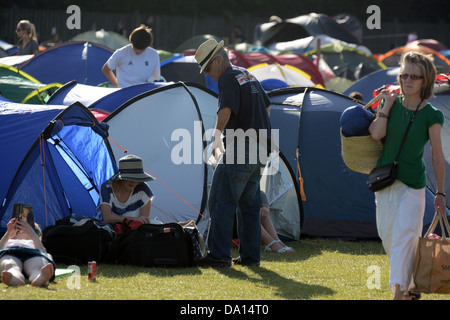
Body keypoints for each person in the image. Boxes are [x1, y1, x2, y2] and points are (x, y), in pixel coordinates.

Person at [369, 51, 445, 300]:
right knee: (389, 237)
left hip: (413, 186)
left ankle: (398, 294)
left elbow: (436, 155)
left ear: (426, 81)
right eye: (404, 75)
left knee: (404, 236)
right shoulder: (389, 102)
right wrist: (387, 106)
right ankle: (410, 287)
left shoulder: (432, 114)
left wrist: (441, 193)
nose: (408, 80)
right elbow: (376, 135)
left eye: (415, 76)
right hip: (385, 183)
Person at [194, 39, 272, 267]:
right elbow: (267, 106)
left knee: (221, 200)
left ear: (218, 61)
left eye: (208, 68)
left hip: (242, 146)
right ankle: (250, 258)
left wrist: (217, 136)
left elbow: (225, 107)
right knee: (249, 204)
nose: (209, 75)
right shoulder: (246, 74)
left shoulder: (228, 77)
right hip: (263, 147)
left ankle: (218, 256)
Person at [98, 154, 155, 225]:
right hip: (108, 230)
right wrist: (135, 219)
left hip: (132, 231)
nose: (133, 182)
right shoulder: (107, 187)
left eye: (136, 178)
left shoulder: (144, 190)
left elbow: (143, 221)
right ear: (121, 178)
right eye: (129, 178)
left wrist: (134, 221)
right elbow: (107, 217)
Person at [0, 218, 55, 287]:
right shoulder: (8, 241)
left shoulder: (34, 242)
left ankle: (40, 278)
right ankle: (14, 278)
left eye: (32, 229)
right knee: (9, 265)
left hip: (33, 254)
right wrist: (8, 234)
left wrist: (33, 236)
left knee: (38, 266)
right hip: (10, 252)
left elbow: (42, 253)